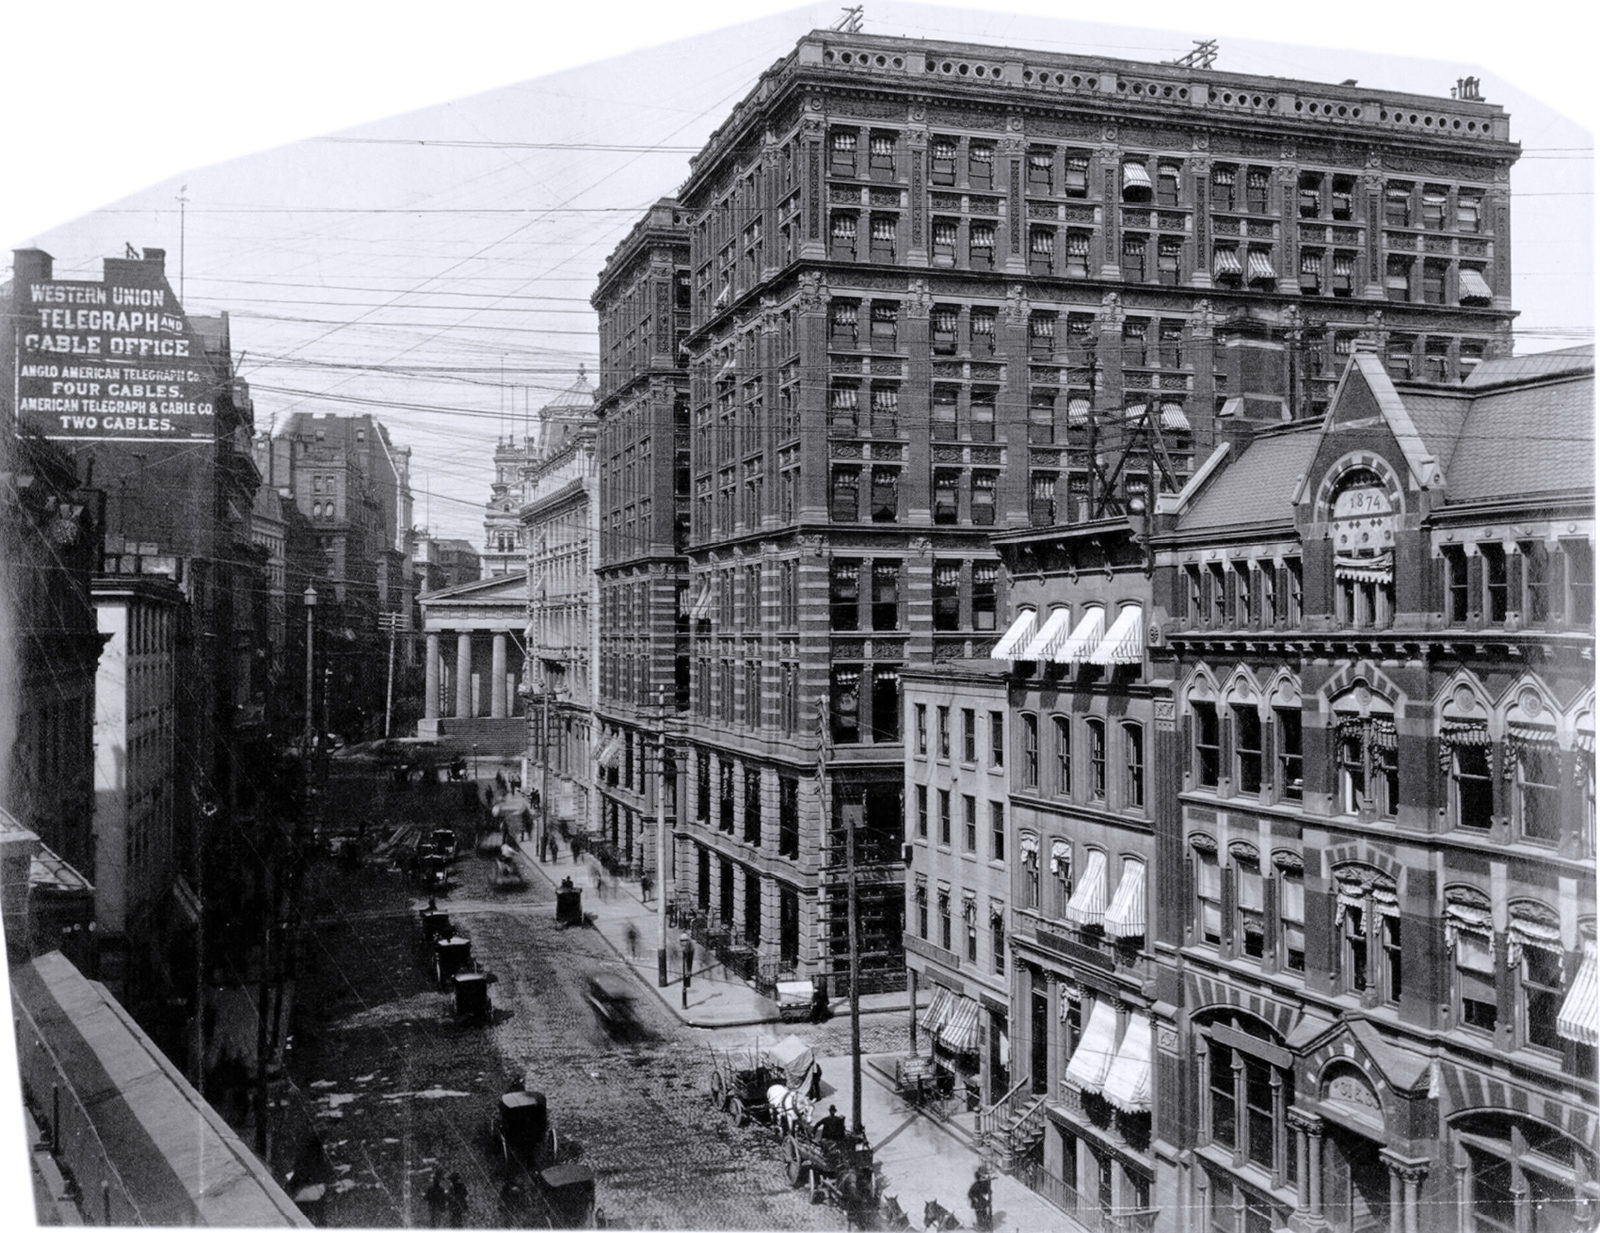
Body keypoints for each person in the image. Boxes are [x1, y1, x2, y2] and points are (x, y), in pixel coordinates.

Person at [968, 1165, 993, 1233]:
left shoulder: (985, 1183)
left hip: (983, 1202)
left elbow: (989, 1190)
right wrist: (975, 1198)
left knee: (983, 1213)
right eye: (983, 1176)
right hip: (980, 1203)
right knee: (981, 1213)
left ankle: (984, 1225)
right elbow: (971, 1193)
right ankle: (982, 1225)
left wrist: (988, 1195)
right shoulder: (978, 1185)